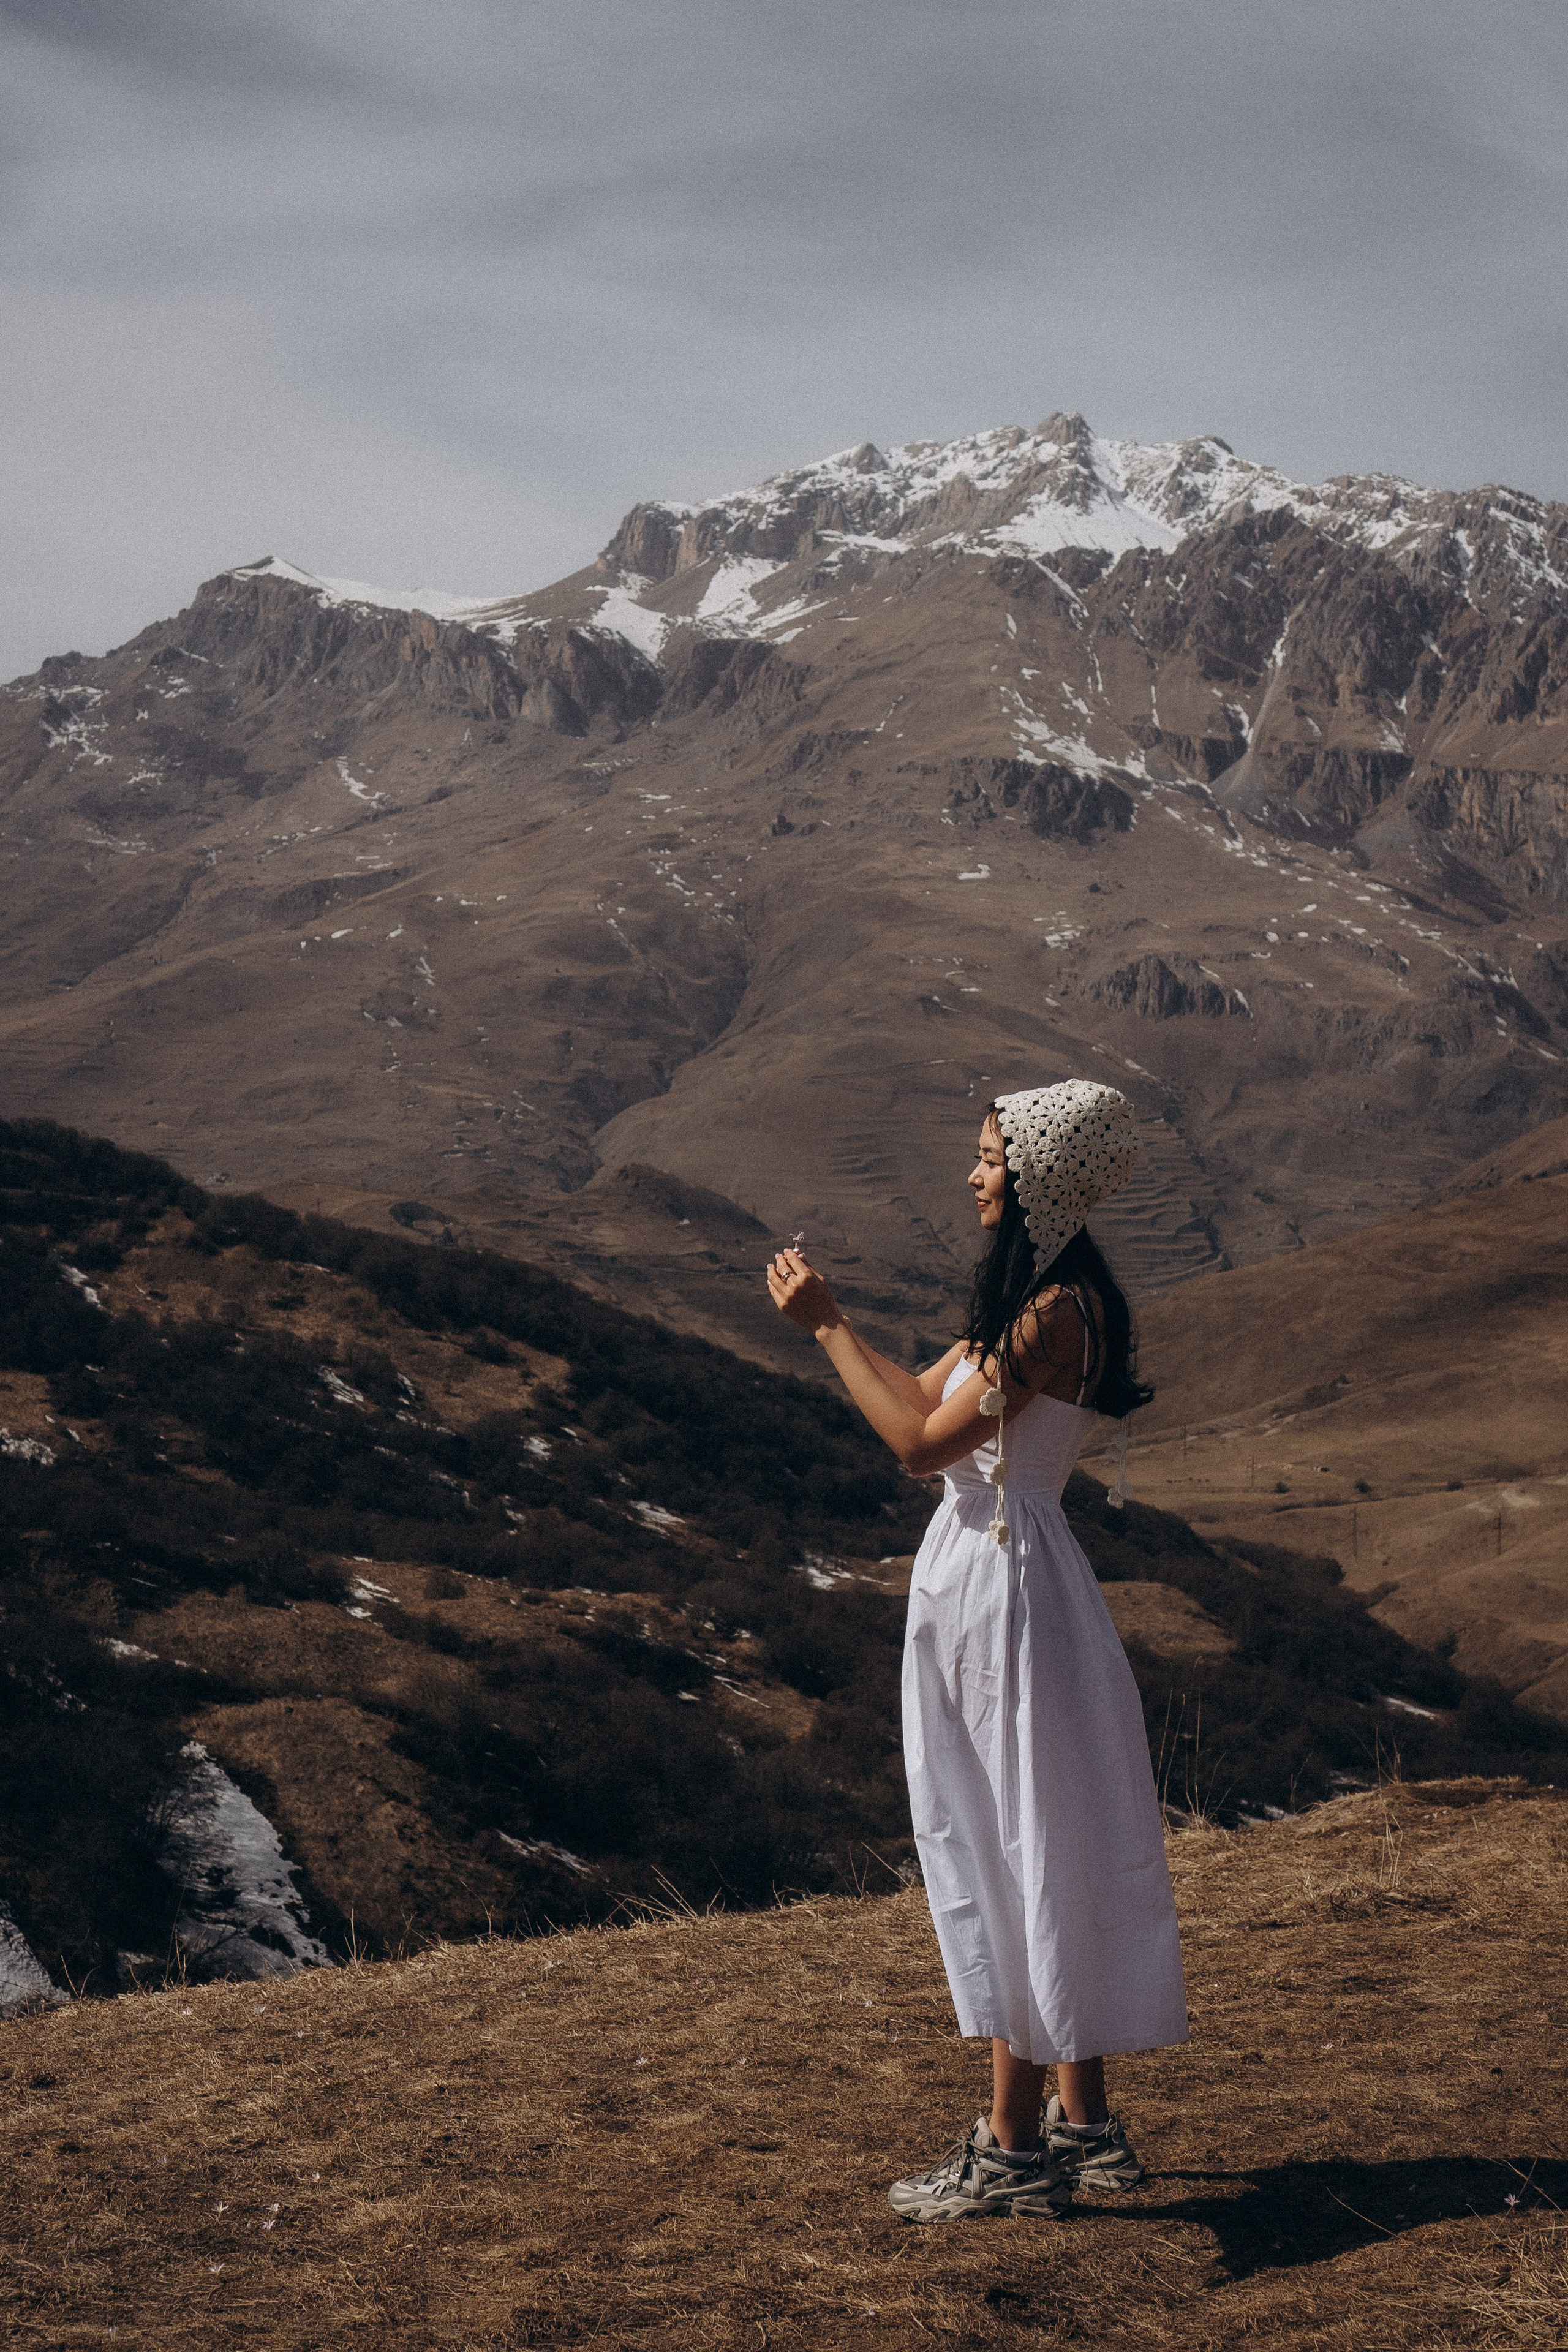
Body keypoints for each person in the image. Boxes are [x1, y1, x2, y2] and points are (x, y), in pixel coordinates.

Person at [766, 1079, 1187, 2221]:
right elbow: (925, 1398)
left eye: (994, 1157)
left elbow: (913, 1444)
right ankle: (1082, 2121)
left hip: (1004, 1591)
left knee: (1011, 1844)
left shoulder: (1050, 1317)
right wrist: (850, 1338)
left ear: (1042, 1176)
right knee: (1037, 1831)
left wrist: (827, 1327)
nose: (976, 1175)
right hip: (1003, 1578)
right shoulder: (1037, 1304)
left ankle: (1008, 2149)